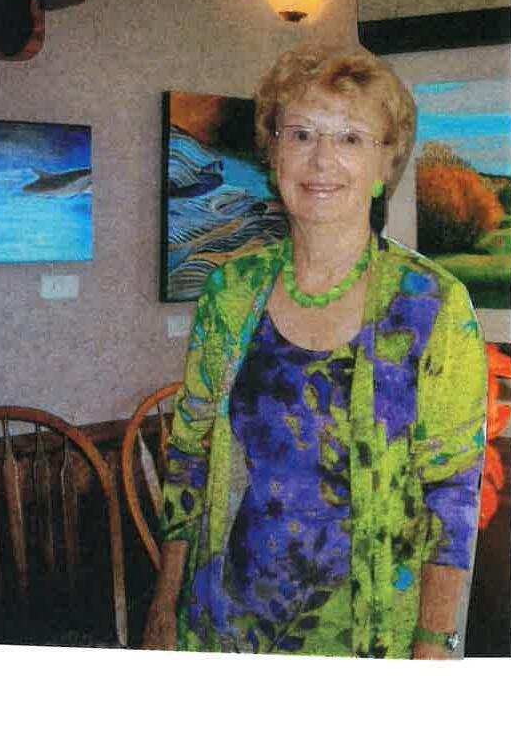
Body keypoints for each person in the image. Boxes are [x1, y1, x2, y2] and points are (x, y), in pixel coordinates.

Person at [143, 41, 486, 659]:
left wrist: (436, 642)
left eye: (351, 138)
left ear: (384, 165)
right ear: (274, 153)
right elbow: (190, 456)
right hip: (223, 629)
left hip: (371, 641)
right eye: (301, 134)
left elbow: (453, 492)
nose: (321, 159)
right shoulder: (229, 292)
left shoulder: (432, 303)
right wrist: (164, 606)